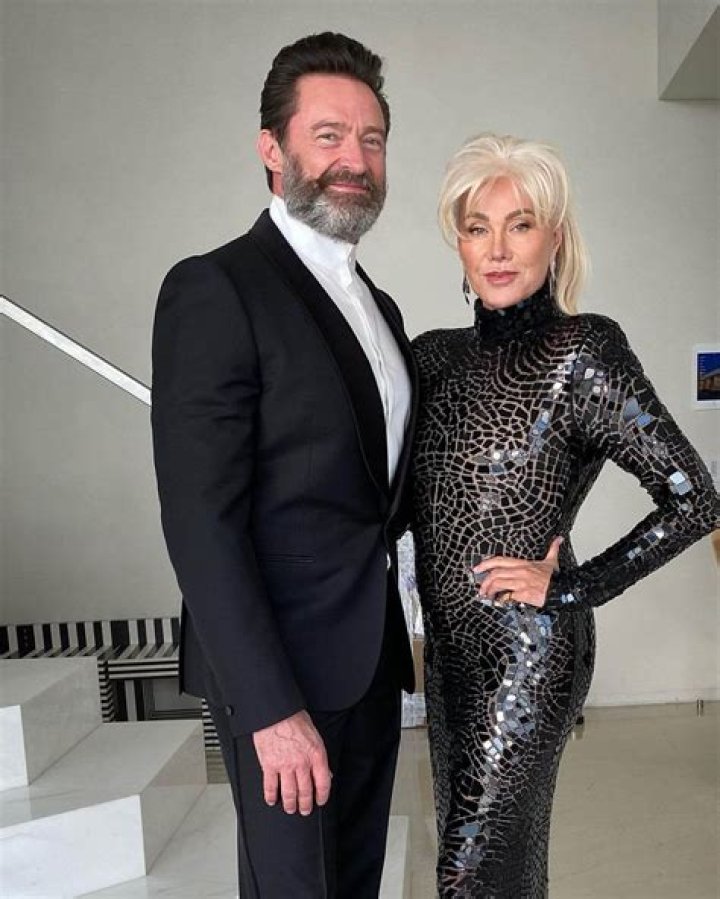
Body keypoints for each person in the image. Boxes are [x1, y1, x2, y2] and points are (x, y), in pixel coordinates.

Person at [411, 133, 718, 897]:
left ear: (554, 236)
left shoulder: (582, 351)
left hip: (528, 650)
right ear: (458, 242)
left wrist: (573, 587)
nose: (497, 248)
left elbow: (694, 497)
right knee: (500, 872)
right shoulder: (432, 358)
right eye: (477, 227)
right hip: (447, 654)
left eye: (520, 224)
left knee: (467, 877)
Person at [151, 32, 417, 899]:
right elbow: (201, 522)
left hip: (370, 662)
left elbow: (378, 492)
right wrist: (269, 707)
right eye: (328, 135)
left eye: (372, 139)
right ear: (272, 148)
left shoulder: (379, 308)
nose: (355, 160)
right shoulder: (216, 289)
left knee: (355, 885)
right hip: (282, 678)